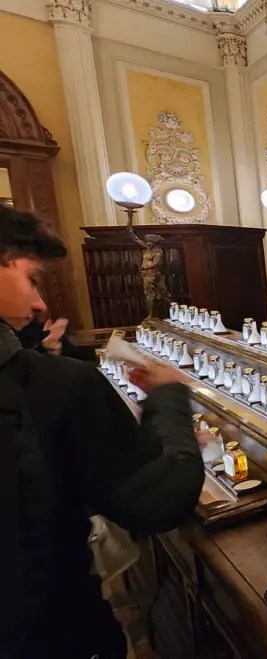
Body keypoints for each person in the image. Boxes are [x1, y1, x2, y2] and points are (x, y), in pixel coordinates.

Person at [0, 206, 204, 659]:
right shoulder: (54, 385)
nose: (40, 303)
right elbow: (159, 497)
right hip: (52, 633)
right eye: (32, 279)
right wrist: (169, 399)